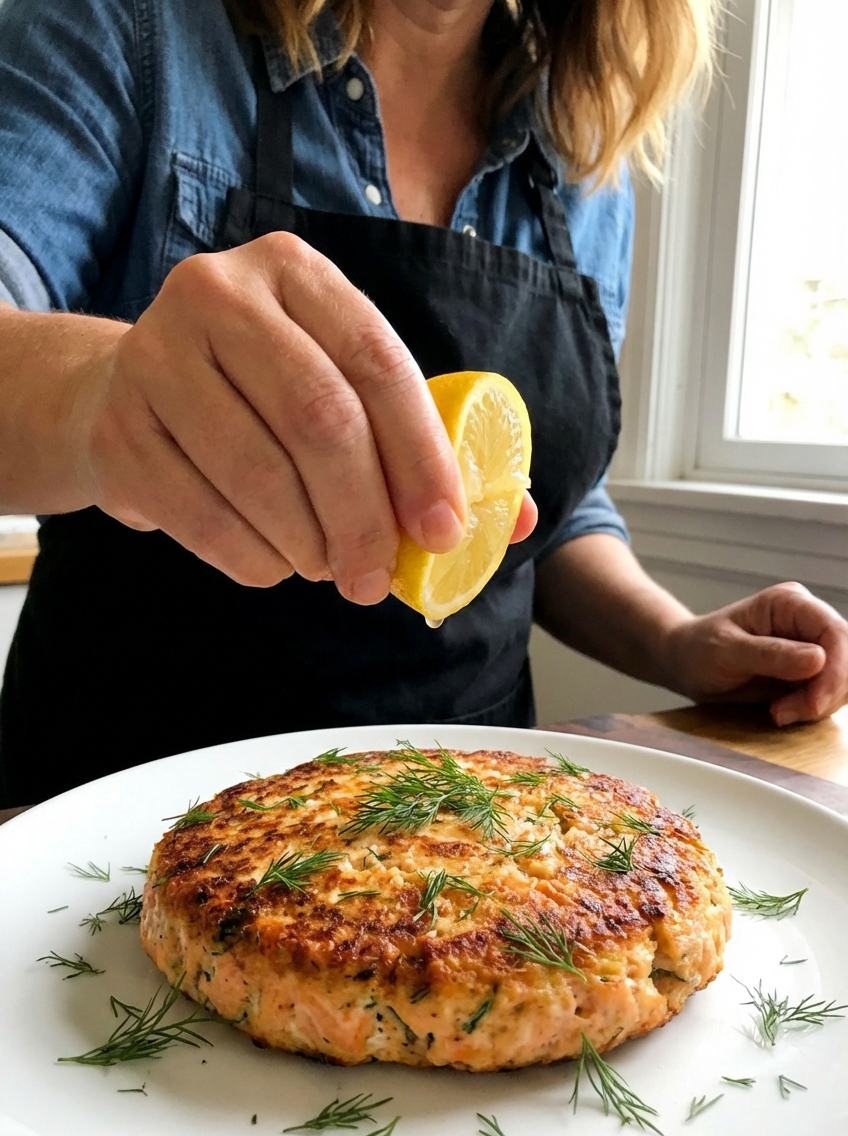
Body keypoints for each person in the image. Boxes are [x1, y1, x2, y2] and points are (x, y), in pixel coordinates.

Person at [0, 0, 845, 808]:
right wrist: (108, 388)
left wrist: (675, 640)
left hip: (465, 819)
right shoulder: (127, 27)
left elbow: (539, 499)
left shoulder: (582, 155)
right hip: (119, 804)